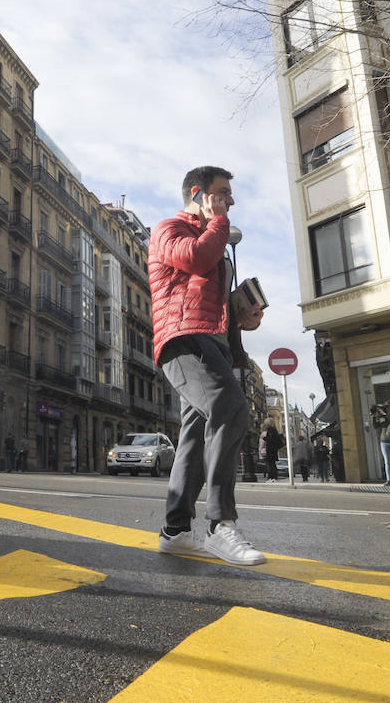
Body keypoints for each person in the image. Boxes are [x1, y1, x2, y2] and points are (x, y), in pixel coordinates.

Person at [151, 166, 268, 566]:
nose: (230, 201)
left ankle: (176, 531)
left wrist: (240, 318)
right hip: (184, 340)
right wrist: (217, 220)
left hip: (210, 342)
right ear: (199, 194)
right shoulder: (170, 229)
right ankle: (220, 525)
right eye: (223, 193)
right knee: (231, 407)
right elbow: (196, 259)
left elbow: (209, 299)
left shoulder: (213, 240)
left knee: (195, 434)